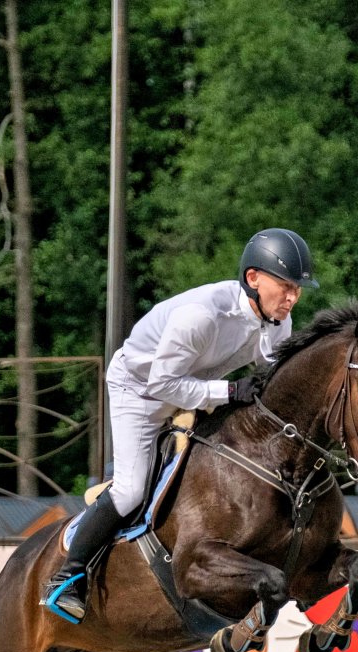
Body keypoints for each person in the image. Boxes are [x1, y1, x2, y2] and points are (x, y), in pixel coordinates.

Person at [41, 228, 321, 622]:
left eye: (298, 289)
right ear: (254, 278)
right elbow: (163, 385)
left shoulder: (278, 323)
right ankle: (67, 577)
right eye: (285, 286)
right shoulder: (203, 315)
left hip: (196, 387)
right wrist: (229, 391)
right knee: (130, 490)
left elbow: (264, 388)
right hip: (141, 391)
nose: (292, 298)